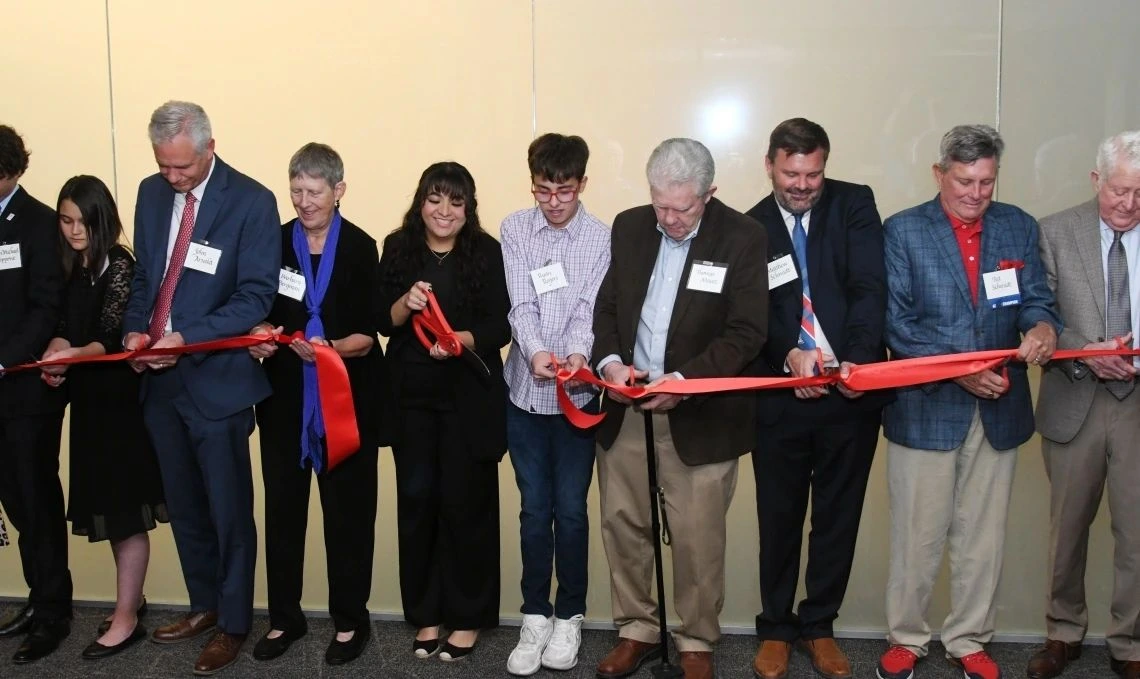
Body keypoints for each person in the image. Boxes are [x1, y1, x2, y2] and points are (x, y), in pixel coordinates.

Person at [877, 124, 1061, 679]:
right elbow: (898, 325)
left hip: (1001, 407)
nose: (976, 193)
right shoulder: (904, 231)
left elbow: (1035, 300)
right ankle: (907, 637)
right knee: (917, 533)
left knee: (982, 536)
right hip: (927, 404)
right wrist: (963, 371)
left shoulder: (1018, 226)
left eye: (986, 181)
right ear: (940, 174)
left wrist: (1044, 327)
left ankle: (968, 637)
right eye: (964, 181)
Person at [592, 138, 768, 679]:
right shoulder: (628, 225)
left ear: (708, 195)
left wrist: (687, 381)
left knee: (697, 537)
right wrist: (611, 363)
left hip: (700, 415)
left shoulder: (742, 237)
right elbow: (609, 307)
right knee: (624, 525)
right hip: (629, 403)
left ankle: (695, 640)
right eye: (659, 204)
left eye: (682, 208)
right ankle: (636, 628)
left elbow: (747, 332)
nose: (667, 218)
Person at [122, 101, 280, 675]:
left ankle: (235, 623)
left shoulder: (252, 202)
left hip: (217, 383)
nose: (172, 178)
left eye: (181, 168)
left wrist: (185, 337)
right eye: (163, 166)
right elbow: (144, 275)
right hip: (159, 383)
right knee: (184, 505)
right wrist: (137, 329)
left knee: (229, 509)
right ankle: (203, 604)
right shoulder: (148, 191)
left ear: (210, 148)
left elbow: (254, 297)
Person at [745, 118, 888, 679]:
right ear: (770, 165)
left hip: (847, 393)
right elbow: (749, 314)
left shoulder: (854, 205)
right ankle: (776, 627)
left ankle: (820, 624)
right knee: (778, 518)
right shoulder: (749, 226)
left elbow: (868, 288)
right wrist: (789, 354)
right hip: (780, 397)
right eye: (791, 173)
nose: (803, 185)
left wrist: (848, 361)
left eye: (814, 173)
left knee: (837, 517)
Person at [247, 143, 383, 666]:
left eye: (314, 192)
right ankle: (285, 618)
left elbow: (369, 336)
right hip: (284, 399)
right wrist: (259, 332)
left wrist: (329, 350)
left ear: (339, 191)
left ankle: (351, 620)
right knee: (282, 511)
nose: (303, 202)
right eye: (296, 191)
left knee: (348, 516)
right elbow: (259, 309)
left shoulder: (361, 248)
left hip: (345, 400)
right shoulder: (275, 242)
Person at [377, 161, 510, 662]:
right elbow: (382, 322)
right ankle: (427, 616)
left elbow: (501, 325)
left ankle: (468, 617)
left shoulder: (487, 251)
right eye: (436, 199)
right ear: (421, 201)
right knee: (416, 506)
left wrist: (460, 341)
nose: (445, 211)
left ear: (468, 208)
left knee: (467, 507)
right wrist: (405, 304)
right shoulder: (398, 246)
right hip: (411, 398)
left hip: (468, 399)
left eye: (456, 202)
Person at [39, 176, 167, 659]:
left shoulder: (120, 265)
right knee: (112, 517)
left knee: (125, 514)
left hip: (120, 409)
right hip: (90, 405)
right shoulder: (77, 266)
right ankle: (128, 602)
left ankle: (128, 616)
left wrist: (70, 355)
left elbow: (112, 337)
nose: (73, 231)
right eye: (65, 220)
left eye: (82, 221)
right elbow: (66, 330)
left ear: (102, 219)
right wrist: (57, 353)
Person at [1030, 130, 1140, 679]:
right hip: (1075, 395)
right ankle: (1062, 633)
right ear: (1097, 180)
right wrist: (1083, 351)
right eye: (1119, 190)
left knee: (1137, 531)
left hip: (1137, 403)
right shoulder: (1054, 231)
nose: (1129, 204)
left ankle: (1130, 642)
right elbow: (1037, 312)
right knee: (1066, 528)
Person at [500, 133, 611, 676]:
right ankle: (534, 615)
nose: (554, 202)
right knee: (532, 511)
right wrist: (539, 352)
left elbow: (590, 307)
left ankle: (570, 614)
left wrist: (573, 356)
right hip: (525, 394)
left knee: (570, 511)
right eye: (544, 190)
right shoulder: (515, 228)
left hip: (577, 396)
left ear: (582, 184)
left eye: (564, 191)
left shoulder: (602, 237)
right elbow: (519, 301)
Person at [0, 124, 71, 664]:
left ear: (11, 173)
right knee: (12, 500)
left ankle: (53, 613)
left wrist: (5, 360)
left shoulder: (41, 224)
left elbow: (47, 306)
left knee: (35, 499)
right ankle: (36, 593)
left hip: (26, 390)